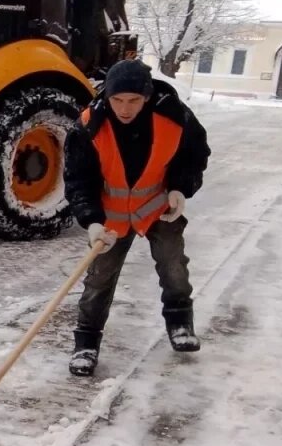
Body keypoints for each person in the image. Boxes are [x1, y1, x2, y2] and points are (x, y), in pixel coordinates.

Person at [63, 60, 211, 377]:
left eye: (133, 100)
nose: (125, 109)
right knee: (99, 280)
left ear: (146, 96)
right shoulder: (90, 125)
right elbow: (78, 179)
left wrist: (179, 189)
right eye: (118, 100)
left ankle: (180, 323)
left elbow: (195, 154)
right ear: (108, 97)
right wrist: (91, 221)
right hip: (110, 217)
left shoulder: (173, 116)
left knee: (173, 266)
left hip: (158, 206)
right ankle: (86, 343)